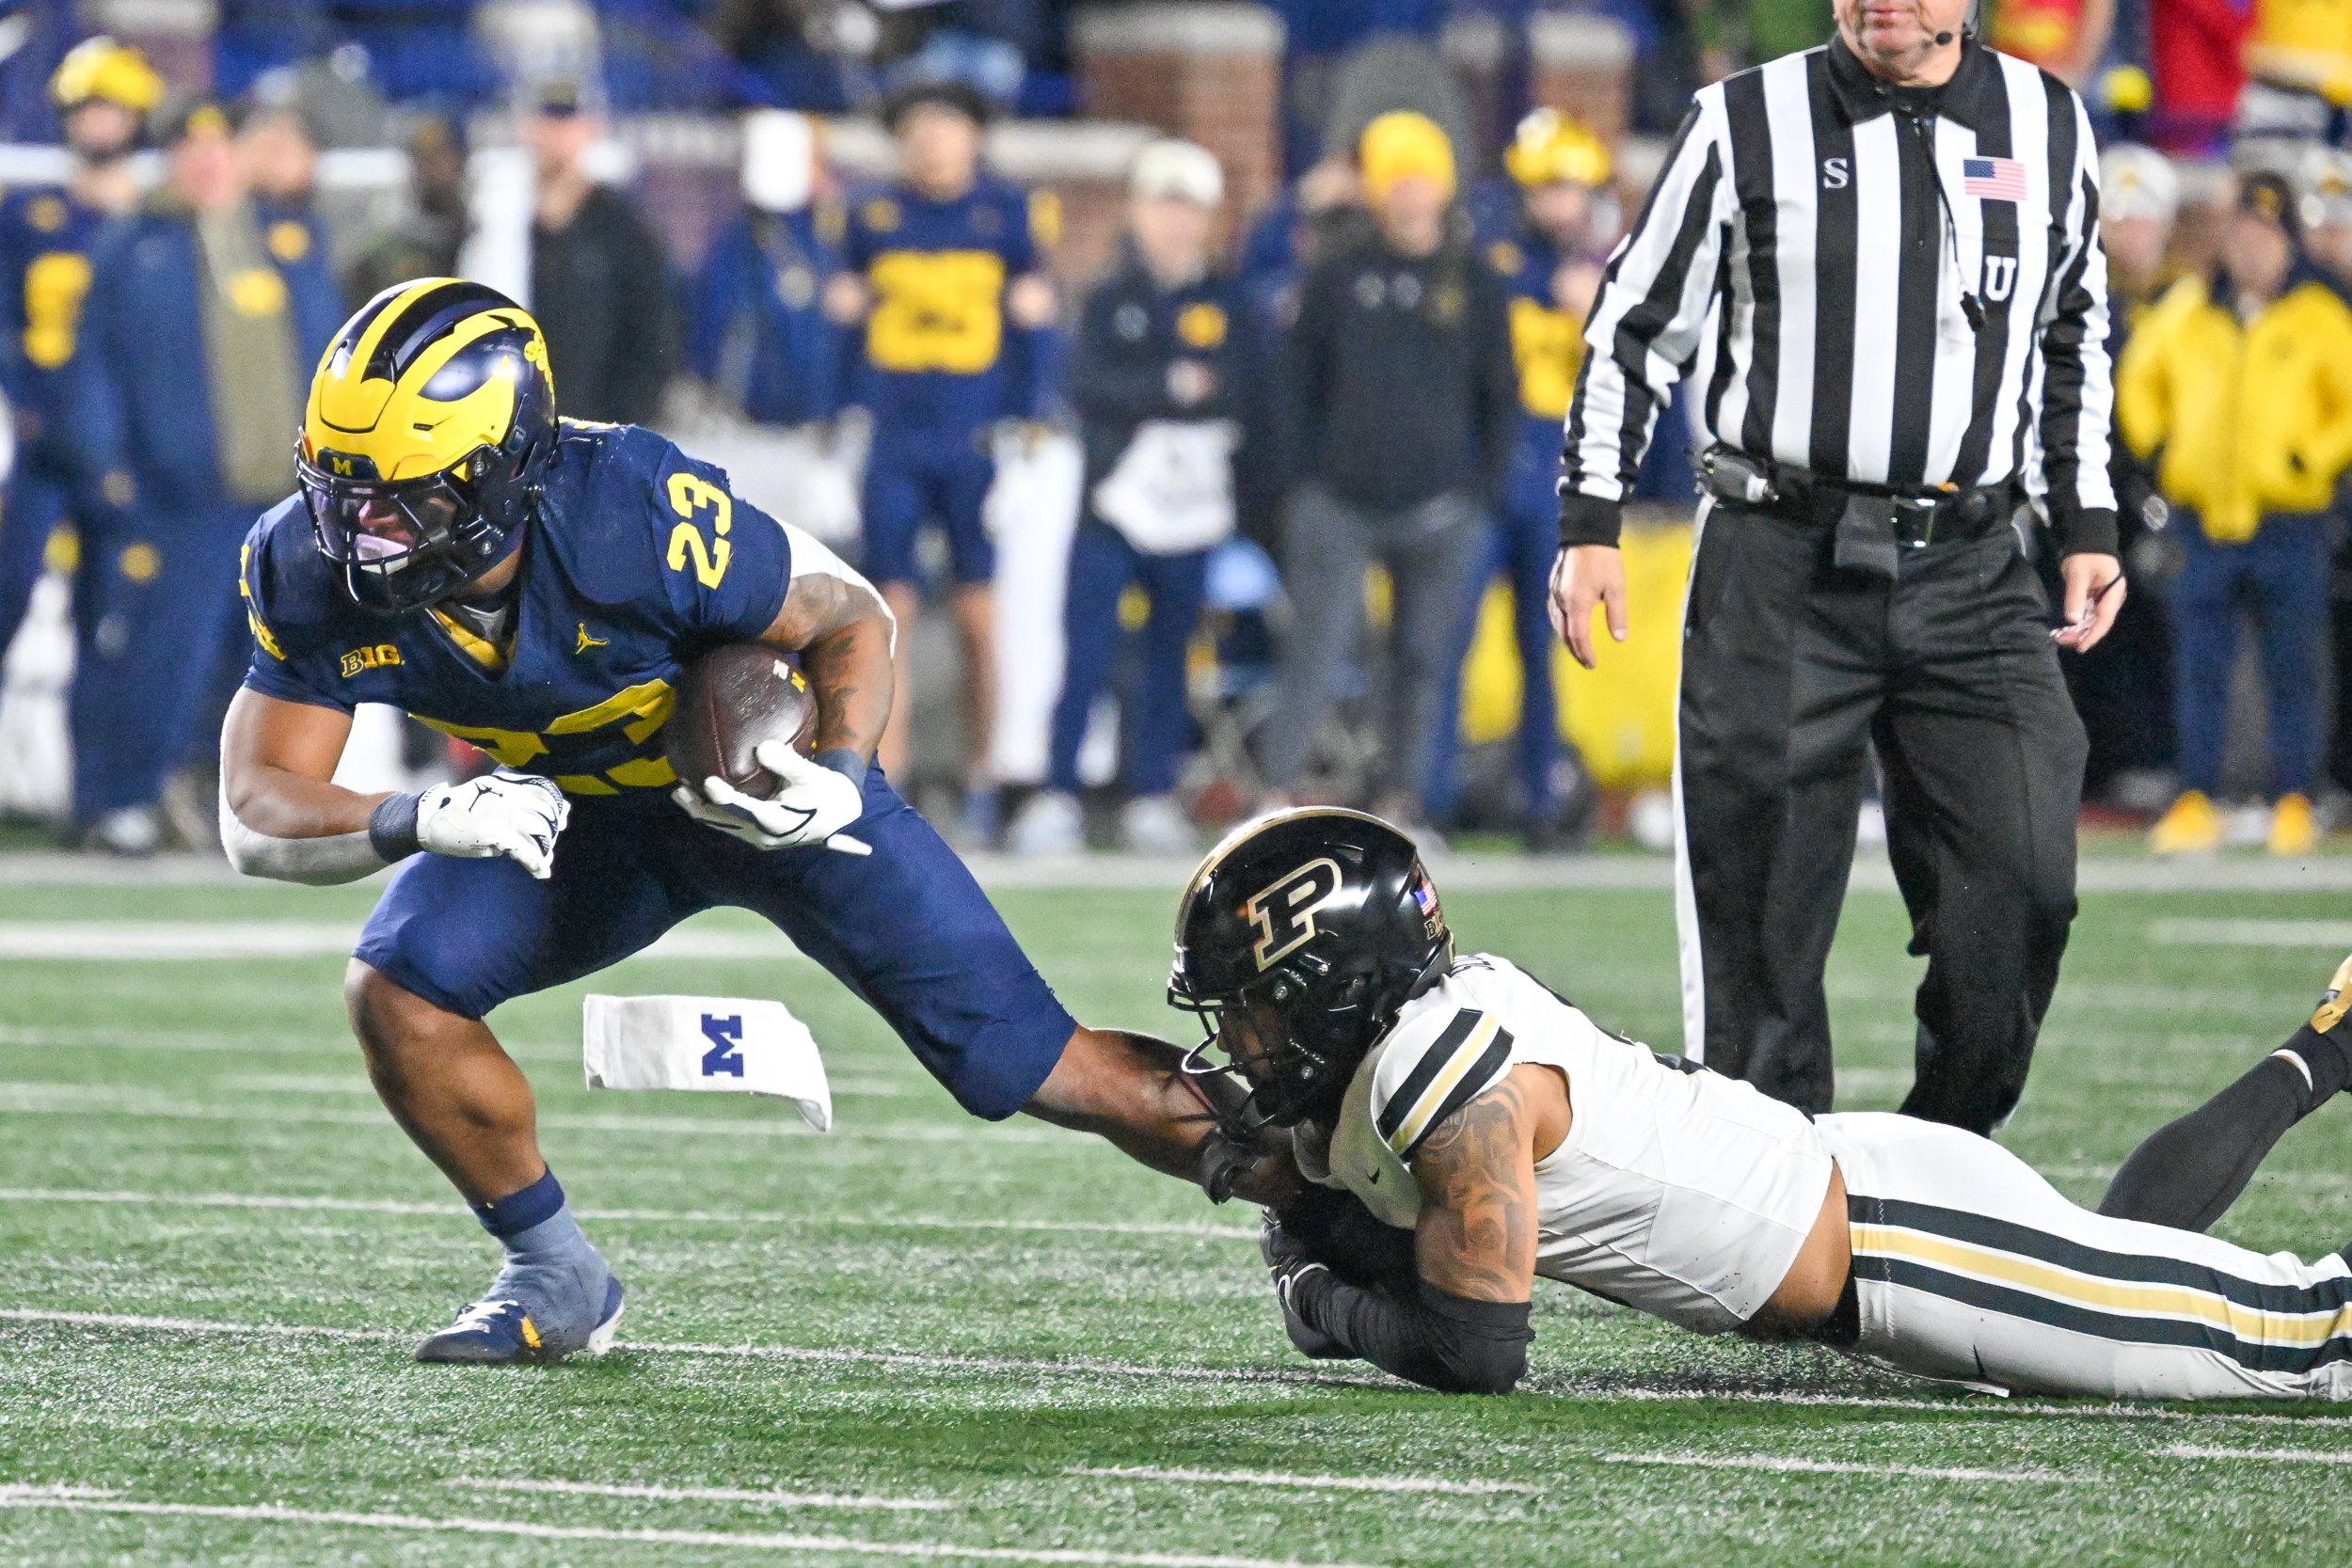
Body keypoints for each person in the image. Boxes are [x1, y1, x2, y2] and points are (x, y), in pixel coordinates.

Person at [216, 279, 1295, 1364]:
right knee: (399, 990)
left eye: (407, 501)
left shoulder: (631, 508)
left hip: (766, 795)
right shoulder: (307, 567)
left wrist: (836, 770)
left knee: (1044, 1068)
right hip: (573, 819)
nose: (365, 534)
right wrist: (420, 814)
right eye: (341, 493)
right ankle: (554, 1271)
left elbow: (851, 616)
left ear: (506, 472)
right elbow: (257, 809)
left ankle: (1327, 1195)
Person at [1177, 808, 2352, 1402]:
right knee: (2127, 1263)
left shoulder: (1438, 1072)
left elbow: (1474, 1347)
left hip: (1904, 1240)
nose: (1239, 1042)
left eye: (1254, 1010)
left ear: (1336, 985)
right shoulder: (1434, 1028)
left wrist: (1313, 1293)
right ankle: (2324, 1048)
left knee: (2291, 1337)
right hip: (1880, 1210)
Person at [1549, 0, 2122, 1133]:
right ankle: (1774, 1221)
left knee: (2020, 884)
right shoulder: (1741, 119)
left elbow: (2071, 328)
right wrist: (1590, 520)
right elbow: (1631, 326)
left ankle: (1937, 1159)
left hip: (1970, 559)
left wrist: (2087, 519)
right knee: (1756, 918)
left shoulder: (2046, 119)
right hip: (1780, 555)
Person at [64, 98, 344, 855]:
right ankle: (122, 798)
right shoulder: (134, 245)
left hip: (284, 503)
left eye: (222, 144)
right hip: (178, 495)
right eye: (193, 147)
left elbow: (331, 355)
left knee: (261, 664)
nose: (209, 160)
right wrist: (109, 468)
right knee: (161, 657)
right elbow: (95, 367)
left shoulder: (286, 240)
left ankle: (226, 799)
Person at [1007, 141, 1275, 860]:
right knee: (1087, 649)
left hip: (1192, 507)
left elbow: (1250, 387)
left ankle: (1151, 790)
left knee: (1170, 652)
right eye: (1164, 203)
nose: (1175, 221)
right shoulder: (1110, 296)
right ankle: (1059, 789)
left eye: (1189, 206)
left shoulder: (1228, 301)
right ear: (1139, 209)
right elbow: (1085, 384)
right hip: (1114, 504)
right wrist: (1170, 388)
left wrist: (1170, 392)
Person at [1257, 110, 1514, 832]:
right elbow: (1295, 385)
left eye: (1419, 179)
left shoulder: (1476, 280)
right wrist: (1302, 484)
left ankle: (1405, 804)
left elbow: (1501, 395)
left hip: (1442, 506)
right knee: (1317, 647)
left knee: (1425, 662)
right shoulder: (1337, 273)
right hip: (1340, 499)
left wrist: (1479, 495)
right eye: (1393, 179)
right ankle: (1274, 796)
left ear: (1444, 186)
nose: (1407, 195)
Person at [828, 78, 1057, 841]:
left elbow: (1036, 331)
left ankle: (984, 777)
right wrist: (835, 421)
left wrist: (1027, 425)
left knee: (978, 614)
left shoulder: (1005, 217)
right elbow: (840, 330)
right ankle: (881, 786)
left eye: (947, 125)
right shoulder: (873, 217)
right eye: (920, 125)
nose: (933, 140)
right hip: (895, 439)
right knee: (886, 613)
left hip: (973, 441)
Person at [2125, 174, 2352, 858]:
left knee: (2294, 665)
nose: (2252, 248)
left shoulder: (2318, 315)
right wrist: (2164, 451)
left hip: (2289, 520)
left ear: (2286, 242)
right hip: (2203, 519)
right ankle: (2195, 795)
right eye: (2243, 233)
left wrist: (2305, 460)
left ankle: (2295, 796)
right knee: (2199, 664)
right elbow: (2138, 382)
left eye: (2265, 234)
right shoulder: (2189, 308)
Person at [1443, 109, 1614, 850]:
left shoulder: (1603, 265)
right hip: (1491, 462)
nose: (1558, 202)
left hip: (1553, 472)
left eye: (1568, 187)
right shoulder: (1494, 253)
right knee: (1445, 638)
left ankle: (1542, 800)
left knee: (1542, 646)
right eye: (1546, 187)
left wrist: (1601, 310)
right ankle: (1433, 795)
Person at [0, 37, 160, 673]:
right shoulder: (25, 216)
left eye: (111, 108)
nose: (98, 122)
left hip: (123, 448)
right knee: (9, 592)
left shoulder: (155, 225)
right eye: (87, 107)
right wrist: (23, 403)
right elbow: (7, 324)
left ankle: (98, 768)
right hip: (46, 439)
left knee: (110, 617)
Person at [524, 79, 674, 427]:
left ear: (591, 130)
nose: (558, 138)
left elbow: (654, 341)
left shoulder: (624, 229)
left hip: (589, 437)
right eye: (549, 124)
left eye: (569, 124)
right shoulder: (499, 224)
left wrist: (614, 434)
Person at [691, 109, 845, 438]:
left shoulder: (837, 236)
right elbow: (717, 324)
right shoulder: (741, 242)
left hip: (821, 425)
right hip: (751, 419)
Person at [347, 115, 471, 305]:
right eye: (426, 160)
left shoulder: (486, 237)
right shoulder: (386, 255)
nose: (435, 169)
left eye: (444, 157)